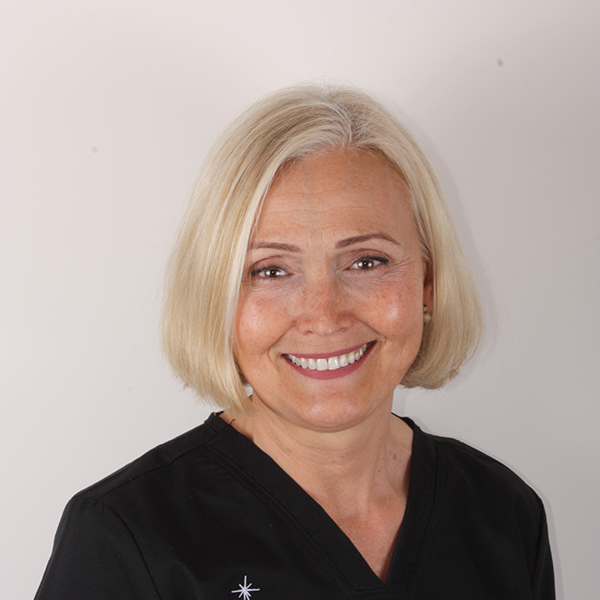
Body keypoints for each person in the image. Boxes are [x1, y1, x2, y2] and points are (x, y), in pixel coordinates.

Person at [34, 85, 555, 599]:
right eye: (271, 270)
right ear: (215, 297)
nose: (324, 316)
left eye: (366, 262)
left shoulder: (504, 514)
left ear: (428, 282)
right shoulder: (122, 540)